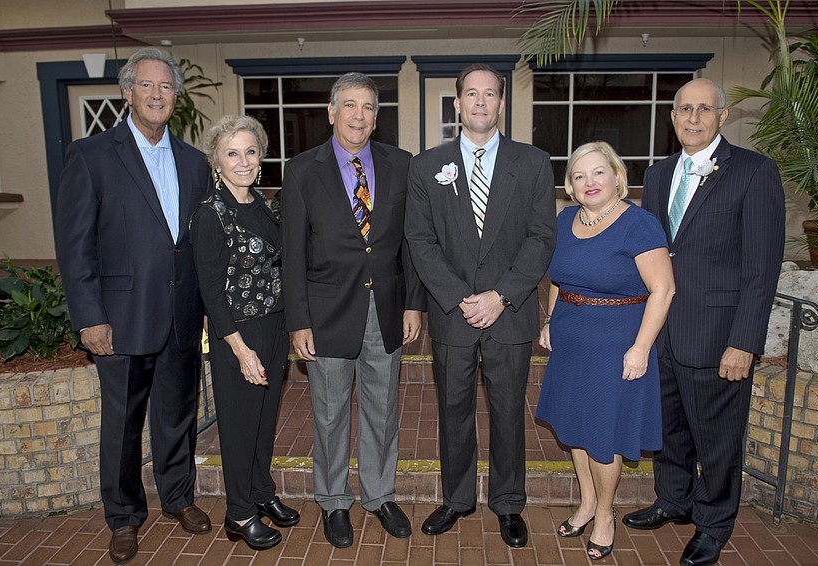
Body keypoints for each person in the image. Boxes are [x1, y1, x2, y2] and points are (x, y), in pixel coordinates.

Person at [54, 47, 212, 564]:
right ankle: (122, 516)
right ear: (127, 93)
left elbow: (199, 242)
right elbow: (75, 245)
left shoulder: (194, 162)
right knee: (121, 424)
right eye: (146, 85)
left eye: (166, 87)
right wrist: (90, 317)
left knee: (177, 417)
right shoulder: (92, 154)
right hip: (119, 321)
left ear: (175, 98)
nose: (157, 95)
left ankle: (178, 498)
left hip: (182, 315)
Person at [623, 78, 785, 566]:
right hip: (663, 330)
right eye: (684, 110)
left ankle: (713, 523)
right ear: (672, 118)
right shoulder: (657, 174)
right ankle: (673, 501)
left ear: (723, 116)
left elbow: (762, 269)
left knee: (716, 438)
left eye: (704, 110)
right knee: (669, 427)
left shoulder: (754, 172)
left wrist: (744, 342)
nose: (693, 118)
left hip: (717, 337)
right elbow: (653, 251)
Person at [405, 63, 557, 548]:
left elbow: (540, 238)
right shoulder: (427, 164)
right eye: (471, 94)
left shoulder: (532, 163)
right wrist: (458, 298)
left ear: (501, 104)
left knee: (509, 411)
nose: (479, 102)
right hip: (453, 315)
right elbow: (420, 239)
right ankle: (456, 499)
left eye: (489, 94)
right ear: (457, 104)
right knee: (453, 411)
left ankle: (509, 504)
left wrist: (501, 296)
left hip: (508, 315)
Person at [281, 72, 426, 548]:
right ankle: (333, 500)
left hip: (385, 310)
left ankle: (380, 495)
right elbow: (293, 253)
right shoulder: (303, 170)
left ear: (376, 115)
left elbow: (410, 242)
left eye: (367, 107)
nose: (359, 116)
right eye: (349, 106)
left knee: (383, 411)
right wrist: (298, 321)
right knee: (328, 413)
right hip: (326, 314)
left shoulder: (401, 165)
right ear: (331, 112)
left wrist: (412, 304)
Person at [535, 141, 675, 560]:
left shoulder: (640, 224)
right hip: (571, 338)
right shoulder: (564, 221)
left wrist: (641, 348)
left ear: (617, 176)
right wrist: (549, 319)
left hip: (616, 343)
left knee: (602, 435)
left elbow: (663, 289)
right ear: (570, 186)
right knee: (574, 428)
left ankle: (605, 515)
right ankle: (586, 503)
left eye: (598, 172)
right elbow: (559, 277)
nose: (589, 182)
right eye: (579, 176)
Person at [189, 115, 300, 551]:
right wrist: (239, 349)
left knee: (262, 420)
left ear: (261, 157)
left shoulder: (265, 206)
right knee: (238, 426)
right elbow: (211, 293)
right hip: (237, 334)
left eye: (250, 151)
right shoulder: (210, 214)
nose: (243, 161)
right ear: (216, 160)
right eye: (232, 153)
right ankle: (238, 513)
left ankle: (260, 492)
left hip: (273, 326)